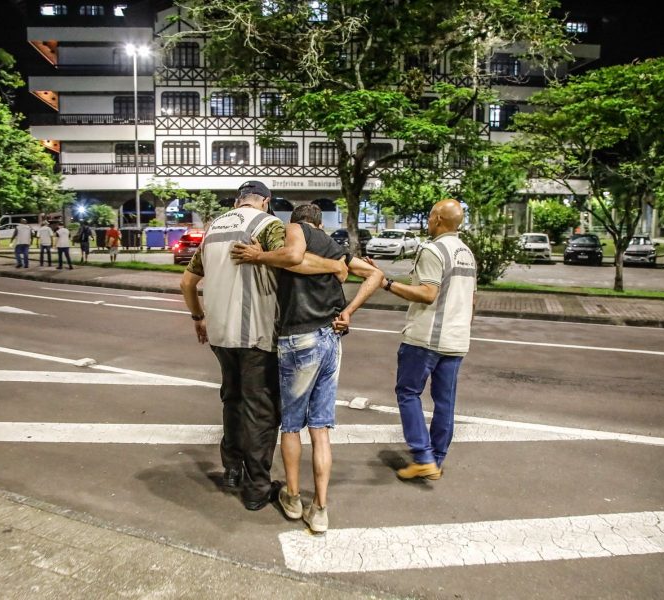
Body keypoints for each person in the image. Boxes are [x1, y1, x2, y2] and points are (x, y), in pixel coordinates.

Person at [180, 180, 347, 512]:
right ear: (266, 202)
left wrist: (198, 316)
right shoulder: (268, 224)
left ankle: (231, 469)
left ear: (238, 200)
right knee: (261, 410)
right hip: (257, 334)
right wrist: (335, 265)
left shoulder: (212, 229)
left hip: (219, 333)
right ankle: (256, 486)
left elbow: (187, 281)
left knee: (233, 398)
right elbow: (293, 260)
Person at [231, 204, 383, 533]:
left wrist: (258, 256)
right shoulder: (335, 247)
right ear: (320, 223)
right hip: (331, 338)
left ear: (297, 223)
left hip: (299, 338)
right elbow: (376, 275)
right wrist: (349, 312)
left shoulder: (296, 230)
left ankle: (294, 497)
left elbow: (293, 256)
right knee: (320, 430)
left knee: (291, 426)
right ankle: (321, 508)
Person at [379, 199, 476, 481]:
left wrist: (387, 284)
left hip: (427, 339)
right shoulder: (466, 253)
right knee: (445, 401)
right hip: (457, 339)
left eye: (431, 216)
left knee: (408, 393)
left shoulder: (433, 250)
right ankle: (437, 459)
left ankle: (422, 457)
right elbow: (471, 299)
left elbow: (427, 293)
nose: (429, 220)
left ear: (437, 219)